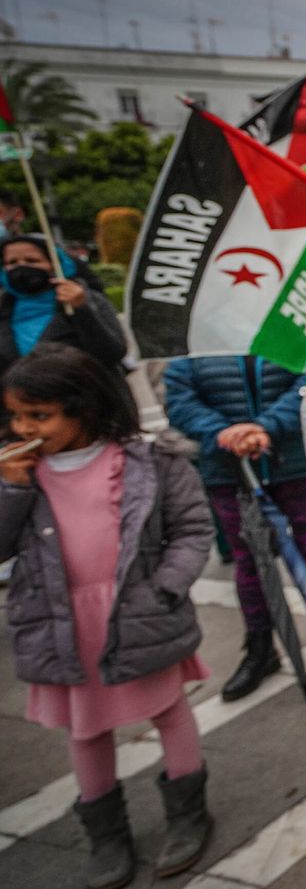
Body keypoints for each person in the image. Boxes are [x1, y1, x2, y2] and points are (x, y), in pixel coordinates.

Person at [1, 345, 216, 887]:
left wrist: (165, 588)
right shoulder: (18, 471)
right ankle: (106, 834)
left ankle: (188, 814)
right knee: (85, 729)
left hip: (138, 612)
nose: (24, 426)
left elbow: (191, 529)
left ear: (86, 407)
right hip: (61, 622)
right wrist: (11, 491)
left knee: (168, 711)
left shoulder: (150, 460)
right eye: (17, 415)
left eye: (39, 415)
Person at [163, 339, 306, 701]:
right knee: (249, 562)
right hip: (228, 470)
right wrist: (224, 433)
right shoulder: (195, 339)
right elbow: (179, 399)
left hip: (295, 462)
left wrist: (265, 427)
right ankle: (260, 648)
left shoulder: (295, 323)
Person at [0, 234, 126, 385]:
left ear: (55, 264)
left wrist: (82, 309)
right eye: (12, 262)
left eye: (32, 260)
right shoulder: (4, 310)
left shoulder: (89, 300)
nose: (21, 267)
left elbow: (112, 353)